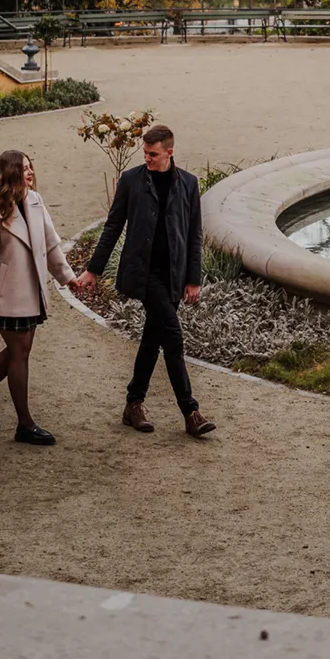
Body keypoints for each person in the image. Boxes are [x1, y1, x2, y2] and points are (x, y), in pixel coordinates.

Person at [73, 122, 216, 439]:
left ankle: (133, 404)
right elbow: (112, 228)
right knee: (173, 338)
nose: (147, 159)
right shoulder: (131, 181)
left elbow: (195, 236)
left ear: (170, 152)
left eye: (153, 154)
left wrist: (193, 278)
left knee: (153, 340)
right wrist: (93, 270)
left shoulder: (189, 184)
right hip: (145, 273)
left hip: (174, 276)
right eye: (145, 154)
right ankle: (190, 412)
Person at [0, 148, 75, 447]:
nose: (30, 171)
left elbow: (51, 246)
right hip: (6, 296)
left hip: (32, 292)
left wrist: (68, 278)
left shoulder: (36, 202)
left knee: (18, 352)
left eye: (31, 166)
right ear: (10, 171)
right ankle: (24, 424)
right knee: (20, 352)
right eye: (24, 167)